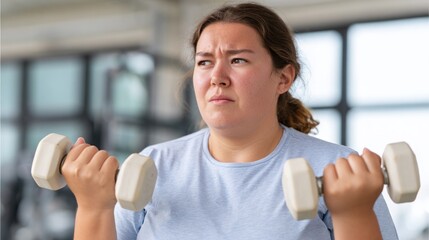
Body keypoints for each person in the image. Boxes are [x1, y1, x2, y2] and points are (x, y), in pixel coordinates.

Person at [61, 2, 398, 240]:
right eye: (205, 62)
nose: (217, 77)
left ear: (283, 78)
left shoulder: (339, 170)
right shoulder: (154, 163)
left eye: (237, 60)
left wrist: (354, 213)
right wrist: (92, 207)